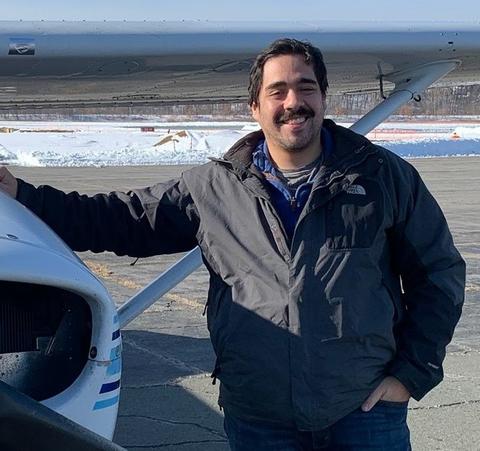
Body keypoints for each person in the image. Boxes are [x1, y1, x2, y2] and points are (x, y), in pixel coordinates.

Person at [0, 38, 465, 450]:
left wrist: (411, 374)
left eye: (306, 88)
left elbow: (438, 273)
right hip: (260, 418)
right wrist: (22, 195)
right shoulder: (214, 187)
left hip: (363, 414)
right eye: (277, 91)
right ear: (255, 107)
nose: (293, 102)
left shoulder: (382, 176)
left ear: (324, 98)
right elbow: (118, 219)